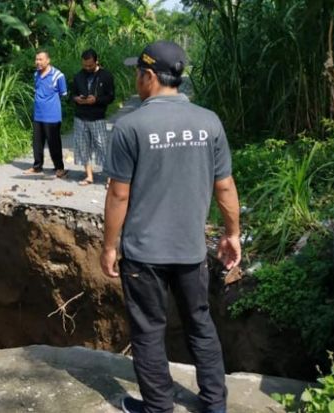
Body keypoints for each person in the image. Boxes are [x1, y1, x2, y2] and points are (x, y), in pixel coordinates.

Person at [100, 41, 240, 413]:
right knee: (200, 325)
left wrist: (109, 246)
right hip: (191, 252)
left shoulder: (131, 126)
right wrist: (232, 234)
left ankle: (158, 408)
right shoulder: (209, 121)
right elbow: (224, 185)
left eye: (137, 72)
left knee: (148, 332)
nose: (135, 78)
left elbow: (118, 195)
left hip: (144, 255)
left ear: (148, 76)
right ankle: (214, 405)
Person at [70, 48, 115, 186]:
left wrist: (96, 100)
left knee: (102, 147)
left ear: (96, 61)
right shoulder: (78, 76)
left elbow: (111, 96)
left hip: (97, 117)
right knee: (83, 147)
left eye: (90, 65)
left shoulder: (106, 76)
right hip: (80, 116)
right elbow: (72, 95)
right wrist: (76, 98)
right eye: (85, 65)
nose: (87, 68)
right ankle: (89, 176)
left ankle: (109, 178)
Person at [25, 50, 68, 178]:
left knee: (54, 143)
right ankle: (37, 166)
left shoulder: (58, 76)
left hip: (52, 115)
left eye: (40, 59)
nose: (37, 62)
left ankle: (59, 168)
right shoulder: (36, 75)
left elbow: (63, 93)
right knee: (37, 143)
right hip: (38, 114)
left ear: (48, 60)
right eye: (36, 59)